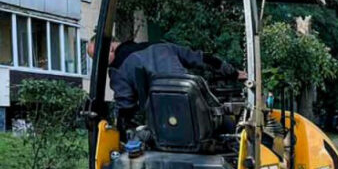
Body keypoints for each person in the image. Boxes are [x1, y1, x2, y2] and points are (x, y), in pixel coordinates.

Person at [88, 38, 242, 127]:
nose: (99, 62)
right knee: (227, 124)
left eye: (98, 57)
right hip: (195, 109)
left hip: (164, 122)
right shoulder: (162, 46)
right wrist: (234, 73)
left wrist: (121, 131)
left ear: (112, 47)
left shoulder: (118, 71)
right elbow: (203, 58)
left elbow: (125, 107)